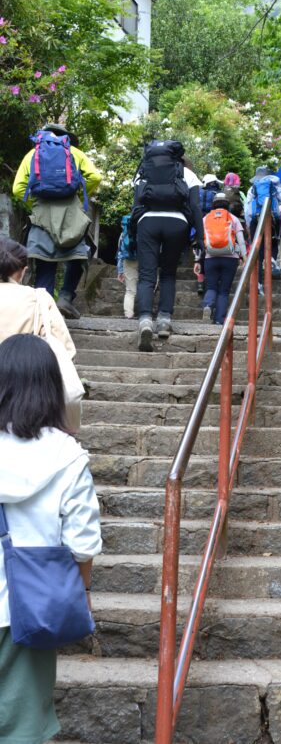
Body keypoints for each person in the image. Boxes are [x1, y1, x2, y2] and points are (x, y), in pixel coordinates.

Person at [0, 333, 101, 744]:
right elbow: (83, 542)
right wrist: (83, 590)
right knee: (23, 727)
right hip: (31, 606)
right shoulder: (68, 456)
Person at [12, 123, 102, 320]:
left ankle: (45, 315)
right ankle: (65, 297)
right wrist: (78, 191)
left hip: (42, 214)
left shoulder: (33, 155)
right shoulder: (75, 152)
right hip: (71, 214)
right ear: (66, 137)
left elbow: (17, 188)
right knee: (79, 256)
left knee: (45, 263)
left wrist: (34, 201)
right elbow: (95, 176)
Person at [133, 140, 204, 352]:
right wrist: (200, 238)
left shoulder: (144, 171)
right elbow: (195, 207)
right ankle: (164, 319)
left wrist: (132, 230)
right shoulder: (187, 174)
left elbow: (136, 204)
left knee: (146, 275)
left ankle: (145, 319)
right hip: (177, 223)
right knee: (168, 274)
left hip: (148, 221)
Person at [198, 193, 246, 325]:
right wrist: (244, 257)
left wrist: (198, 259)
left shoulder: (206, 218)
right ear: (227, 204)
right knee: (224, 290)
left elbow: (200, 239)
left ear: (213, 204)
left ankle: (208, 305)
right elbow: (241, 241)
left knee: (211, 286)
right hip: (230, 258)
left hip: (210, 257)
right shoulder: (233, 218)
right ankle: (219, 320)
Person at [116, 214, 138, 319]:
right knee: (147, 286)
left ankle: (129, 314)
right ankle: (145, 313)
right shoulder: (146, 228)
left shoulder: (123, 235)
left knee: (130, 290)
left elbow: (120, 253)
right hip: (146, 260)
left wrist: (120, 271)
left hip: (128, 260)